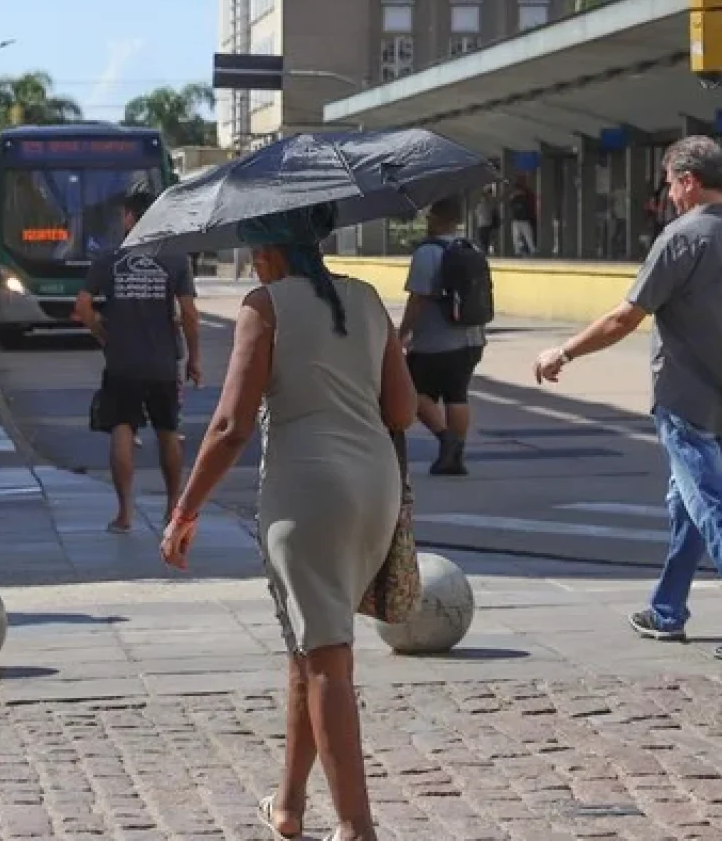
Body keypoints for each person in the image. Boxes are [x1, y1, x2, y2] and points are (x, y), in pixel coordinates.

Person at [161, 203, 414, 841]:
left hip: (307, 494)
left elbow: (229, 425)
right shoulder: (367, 299)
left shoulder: (264, 304)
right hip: (375, 484)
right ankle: (289, 806)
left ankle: (357, 828)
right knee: (309, 648)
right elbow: (404, 408)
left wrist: (185, 510)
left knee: (327, 657)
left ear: (267, 249)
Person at [533, 136, 722, 660]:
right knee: (688, 506)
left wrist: (563, 352)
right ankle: (667, 610)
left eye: (672, 184)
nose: (669, 195)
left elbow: (624, 317)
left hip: (684, 400)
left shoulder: (681, 238)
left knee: (710, 505)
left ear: (689, 181)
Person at [73, 185, 200, 534]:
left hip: (122, 364)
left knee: (122, 430)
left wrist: (103, 335)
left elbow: (82, 307)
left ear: (128, 218)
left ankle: (125, 514)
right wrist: (194, 359)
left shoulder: (109, 259)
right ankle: (173, 508)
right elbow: (189, 314)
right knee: (168, 431)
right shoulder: (176, 259)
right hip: (162, 363)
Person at [402, 197, 488, 476]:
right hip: (472, 337)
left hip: (434, 342)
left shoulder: (428, 253)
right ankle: (455, 456)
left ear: (435, 219)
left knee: (412, 392)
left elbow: (418, 298)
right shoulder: (471, 247)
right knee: (457, 395)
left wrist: (403, 332)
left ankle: (446, 439)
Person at [508, 177, 538, 256]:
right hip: (518, 219)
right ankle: (521, 251)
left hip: (523, 219)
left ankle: (531, 250)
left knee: (526, 236)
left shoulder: (524, 197)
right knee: (518, 236)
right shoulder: (515, 198)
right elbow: (511, 206)